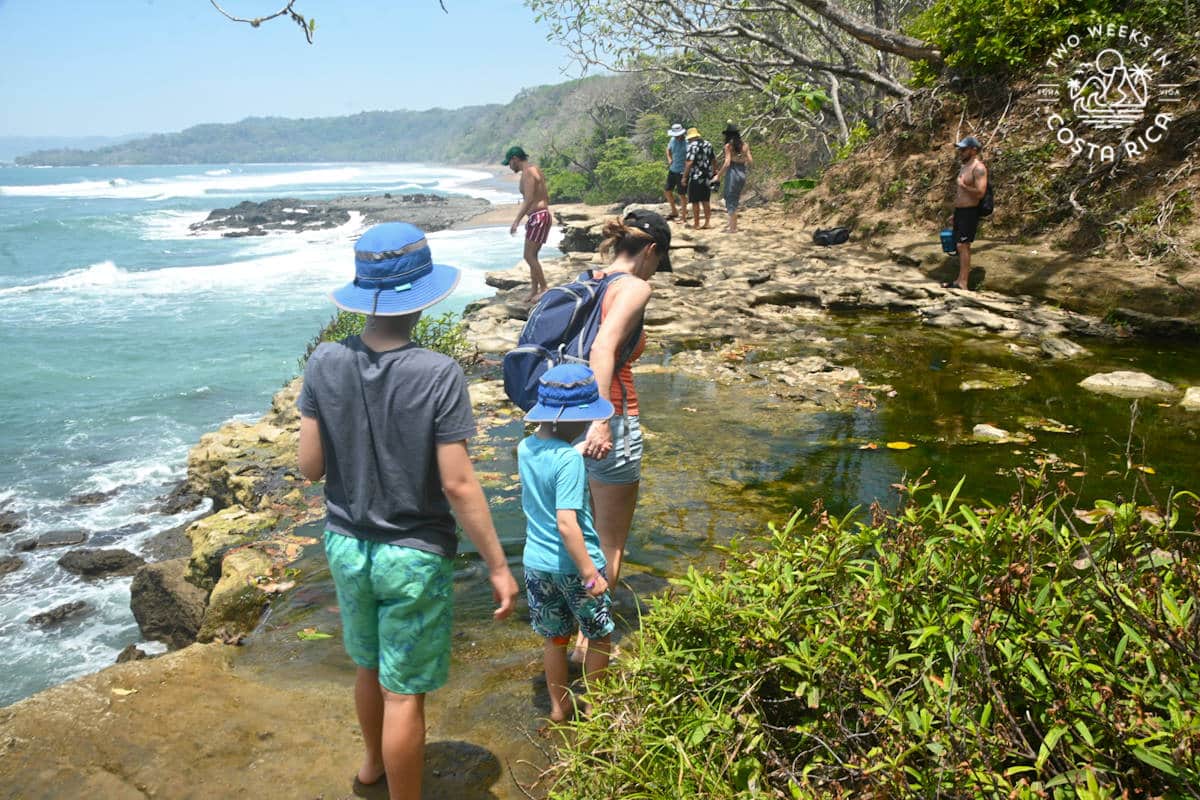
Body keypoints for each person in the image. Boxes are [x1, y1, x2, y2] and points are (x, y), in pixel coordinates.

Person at [297, 221, 520, 800]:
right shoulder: (439, 373)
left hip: (346, 544)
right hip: (413, 553)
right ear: (423, 295)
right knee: (405, 693)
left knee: (368, 667)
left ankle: (371, 766)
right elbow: (459, 484)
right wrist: (497, 565)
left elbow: (310, 467)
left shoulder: (323, 361)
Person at [571, 209, 671, 662]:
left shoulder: (588, 279)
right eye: (658, 261)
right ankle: (589, 644)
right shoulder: (634, 286)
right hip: (609, 420)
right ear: (650, 250)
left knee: (578, 533)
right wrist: (602, 417)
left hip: (562, 421)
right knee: (609, 543)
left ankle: (571, 633)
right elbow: (603, 348)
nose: (656, 272)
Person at [519, 363, 616, 721]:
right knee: (599, 635)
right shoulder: (568, 463)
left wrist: (574, 454)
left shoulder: (525, 447)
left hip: (536, 564)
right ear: (573, 419)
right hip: (576, 566)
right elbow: (567, 524)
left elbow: (553, 460)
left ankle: (559, 709)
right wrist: (591, 575)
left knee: (555, 639)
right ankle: (595, 706)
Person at [503, 145, 552, 301]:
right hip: (539, 216)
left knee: (528, 255)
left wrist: (516, 221)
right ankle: (534, 290)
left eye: (509, 163)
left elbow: (529, 199)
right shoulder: (534, 169)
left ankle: (544, 288)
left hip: (539, 216)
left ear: (515, 159)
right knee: (532, 255)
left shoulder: (529, 172)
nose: (510, 167)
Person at [943, 135, 988, 291]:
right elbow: (961, 194)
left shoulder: (979, 168)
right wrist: (956, 213)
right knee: (958, 245)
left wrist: (963, 186)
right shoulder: (964, 167)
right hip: (961, 211)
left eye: (963, 149)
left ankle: (963, 282)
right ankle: (958, 280)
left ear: (973, 150)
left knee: (963, 245)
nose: (960, 152)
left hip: (971, 211)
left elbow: (980, 192)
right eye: (960, 149)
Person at [714, 123, 753, 234]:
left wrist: (718, 175)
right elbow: (751, 161)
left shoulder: (728, 146)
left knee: (730, 198)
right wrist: (742, 158)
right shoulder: (745, 145)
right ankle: (733, 225)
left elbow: (727, 163)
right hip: (742, 173)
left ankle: (733, 228)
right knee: (734, 198)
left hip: (733, 172)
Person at [680, 127, 715, 229]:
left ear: (690, 138)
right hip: (707, 176)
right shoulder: (708, 144)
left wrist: (684, 177)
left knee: (695, 201)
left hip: (696, 176)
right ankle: (707, 222)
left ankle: (697, 223)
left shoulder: (692, 146)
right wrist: (715, 171)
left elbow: (689, 162)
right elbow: (713, 159)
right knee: (705, 200)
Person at [663, 123, 688, 221]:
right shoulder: (672, 140)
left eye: (678, 135)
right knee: (667, 191)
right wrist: (669, 158)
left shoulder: (687, 142)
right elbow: (668, 150)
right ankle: (674, 211)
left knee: (682, 194)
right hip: (673, 170)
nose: (676, 137)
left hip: (682, 171)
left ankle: (683, 216)